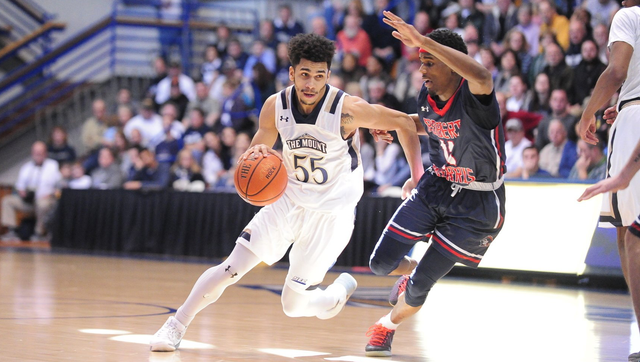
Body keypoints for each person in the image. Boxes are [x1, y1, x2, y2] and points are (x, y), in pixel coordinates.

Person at [149, 32, 424, 352]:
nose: (311, 83)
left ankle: (338, 292)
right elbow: (255, 153)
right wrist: (254, 164)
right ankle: (176, 324)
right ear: (292, 73)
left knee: (292, 306)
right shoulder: (275, 106)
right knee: (231, 267)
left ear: (328, 76)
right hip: (288, 201)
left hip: (331, 214)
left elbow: (405, 123)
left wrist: (416, 176)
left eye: (319, 76)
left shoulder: (347, 109)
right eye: (304, 74)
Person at [363, 13, 506, 357]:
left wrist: (425, 40)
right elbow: (427, 122)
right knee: (380, 264)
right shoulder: (426, 98)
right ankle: (410, 270)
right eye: (420, 62)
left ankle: (387, 325)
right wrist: (398, 125)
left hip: (478, 204)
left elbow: (484, 74)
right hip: (435, 187)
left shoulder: (476, 95)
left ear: (452, 65)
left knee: (418, 290)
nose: (422, 69)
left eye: (429, 62)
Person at [576, 2, 640, 360]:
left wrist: (589, 113)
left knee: (631, 233)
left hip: (635, 125)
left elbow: (615, 72)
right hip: (632, 107)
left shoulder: (628, 15)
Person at [0, 142, 61, 241]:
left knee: (42, 204)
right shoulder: (27, 167)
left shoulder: (52, 165)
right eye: (35, 152)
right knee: (7, 200)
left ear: (45, 153)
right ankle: (12, 231)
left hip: (46, 200)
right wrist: (22, 192)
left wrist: (50, 194)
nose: (38, 155)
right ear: (32, 153)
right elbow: (20, 186)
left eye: (40, 152)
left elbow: (59, 186)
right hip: (29, 201)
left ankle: (39, 233)